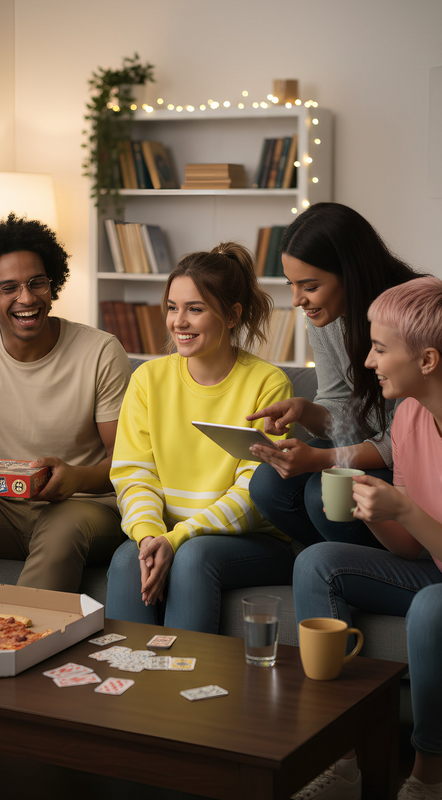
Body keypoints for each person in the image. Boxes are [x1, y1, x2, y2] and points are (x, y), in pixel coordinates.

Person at [292, 277, 442, 800]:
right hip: (438, 570)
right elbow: (411, 550)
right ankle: (340, 761)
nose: (369, 362)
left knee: (434, 606)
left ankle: (427, 781)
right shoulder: (410, 417)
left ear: (428, 360)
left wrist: (404, 507)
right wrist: (370, 510)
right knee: (318, 562)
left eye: (381, 349)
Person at [0, 213, 131, 592]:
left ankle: (21, 643)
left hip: (83, 506)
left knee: (62, 528)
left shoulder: (100, 351)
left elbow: (126, 460)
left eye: (37, 282)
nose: (27, 298)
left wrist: (76, 476)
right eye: (9, 287)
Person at [105, 242, 295, 633]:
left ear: (231, 315)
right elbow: (134, 474)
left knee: (193, 557)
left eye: (195, 309)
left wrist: (177, 539)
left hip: (254, 541)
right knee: (127, 559)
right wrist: (148, 537)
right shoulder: (147, 380)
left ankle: (182, 687)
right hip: (169, 533)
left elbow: (252, 493)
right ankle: (126, 687)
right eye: (172, 308)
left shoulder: (267, 384)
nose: (179, 322)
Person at [247, 202, 424, 548]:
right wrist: (305, 410)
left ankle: (361, 568)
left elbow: (404, 439)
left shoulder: (412, 318)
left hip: (409, 456)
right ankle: (321, 561)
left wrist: (323, 458)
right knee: (266, 484)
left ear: (350, 272)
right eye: (291, 284)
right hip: (369, 441)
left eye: (309, 286)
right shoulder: (326, 317)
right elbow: (342, 405)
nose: (298, 300)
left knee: (320, 493)